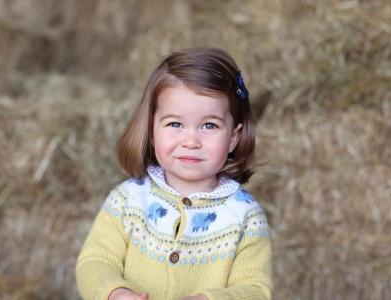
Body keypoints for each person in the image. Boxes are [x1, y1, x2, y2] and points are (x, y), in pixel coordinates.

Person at [76, 47, 272, 300]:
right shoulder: (128, 200)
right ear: (151, 129)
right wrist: (116, 293)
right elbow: (95, 260)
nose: (191, 141)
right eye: (175, 124)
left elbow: (255, 289)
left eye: (209, 125)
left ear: (233, 138)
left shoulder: (245, 216)